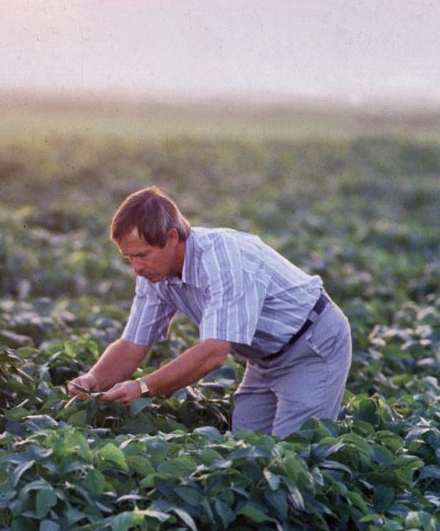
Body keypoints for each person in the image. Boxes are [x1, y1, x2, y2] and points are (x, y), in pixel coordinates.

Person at [67, 186, 351, 439]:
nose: (136, 268)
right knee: (246, 450)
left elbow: (214, 353)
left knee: (296, 456)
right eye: (129, 258)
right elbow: (132, 343)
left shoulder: (223, 260)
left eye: (142, 255)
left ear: (172, 237)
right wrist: (94, 380)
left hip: (312, 343)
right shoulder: (154, 275)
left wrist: (142, 387)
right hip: (264, 358)